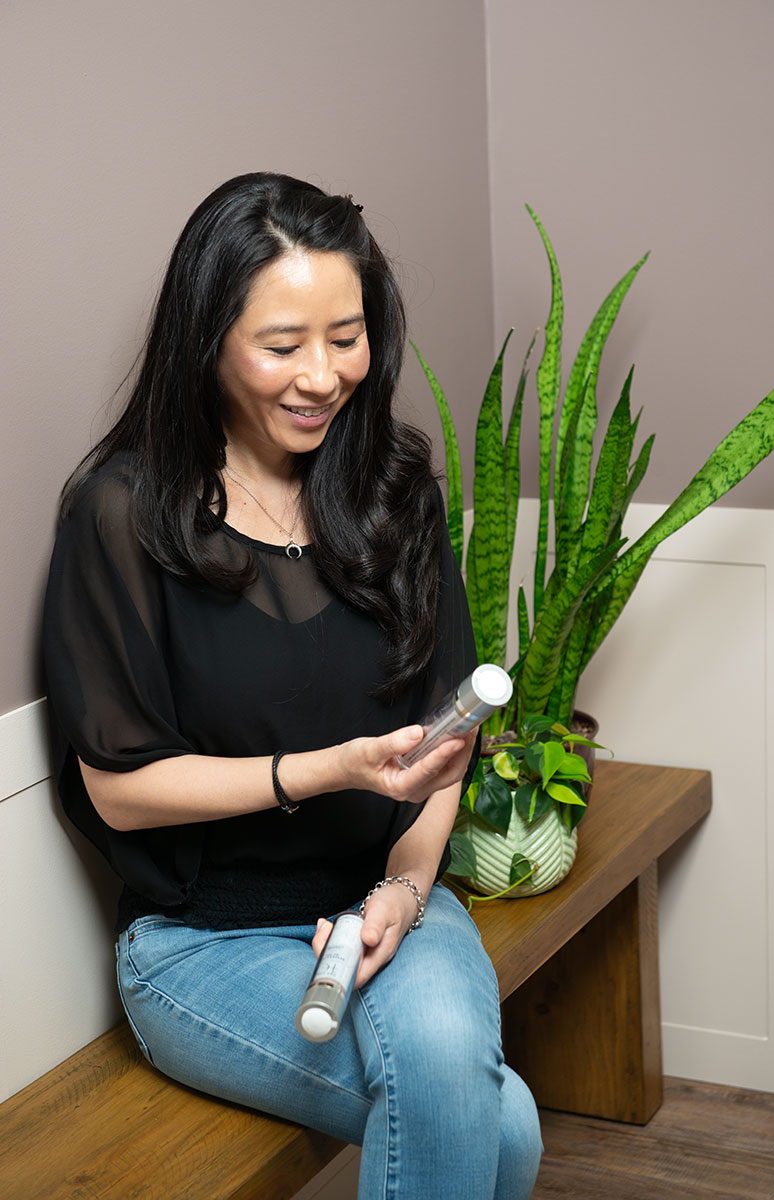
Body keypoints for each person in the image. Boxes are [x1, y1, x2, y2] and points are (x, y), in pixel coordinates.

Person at [43, 172, 543, 1199]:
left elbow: (445, 743)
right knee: (503, 1126)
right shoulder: (121, 512)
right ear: (208, 340)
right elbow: (119, 787)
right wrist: (322, 771)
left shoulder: (396, 490)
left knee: (487, 1111)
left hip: (387, 901)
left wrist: (405, 889)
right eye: (282, 346)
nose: (323, 375)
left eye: (347, 337)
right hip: (202, 945)